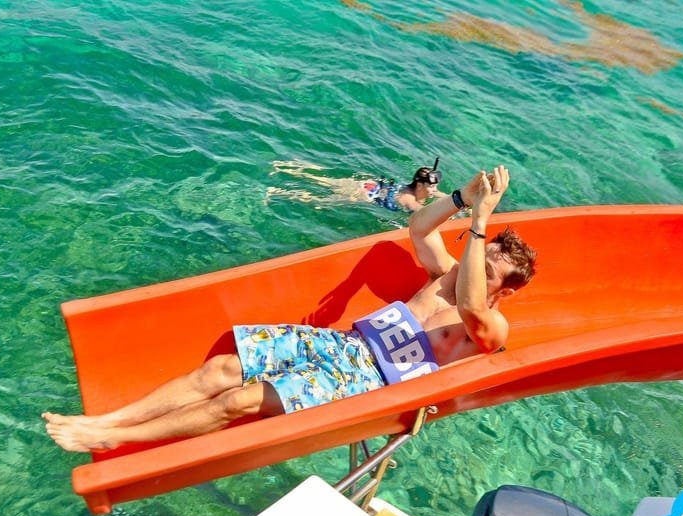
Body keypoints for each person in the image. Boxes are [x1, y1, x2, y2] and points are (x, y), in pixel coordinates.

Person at [45, 165, 538, 452]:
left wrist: (481, 221)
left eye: (488, 269)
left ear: (506, 291)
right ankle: (109, 422)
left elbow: (472, 303)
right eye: (480, 256)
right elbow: (419, 228)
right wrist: (462, 197)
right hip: (346, 344)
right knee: (220, 370)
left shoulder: (490, 327)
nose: (475, 267)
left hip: (367, 384)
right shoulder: (445, 275)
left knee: (236, 401)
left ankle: (118, 440)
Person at [266, 160, 445, 212]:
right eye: (431, 187)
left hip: (369, 185)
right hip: (363, 196)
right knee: (319, 200)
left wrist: (458, 202)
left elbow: (443, 196)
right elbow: (424, 214)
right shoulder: (409, 200)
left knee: (322, 180)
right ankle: (279, 192)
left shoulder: (415, 189)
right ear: (420, 185)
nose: (435, 190)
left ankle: (286, 166)